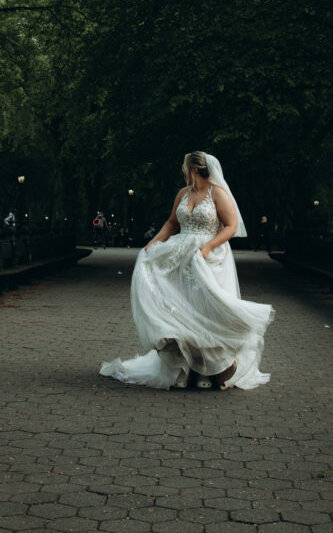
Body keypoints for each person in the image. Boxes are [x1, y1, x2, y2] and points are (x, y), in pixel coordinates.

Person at [100, 151, 275, 391]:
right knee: (181, 308)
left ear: (193, 170)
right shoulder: (183, 194)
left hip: (208, 257)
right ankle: (186, 366)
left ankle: (213, 367)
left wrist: (208, 247)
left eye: (184, 168)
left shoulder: (218, 194)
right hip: (180, 255)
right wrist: (155, 243)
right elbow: (172, 223)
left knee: (205, 309)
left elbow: (231, 226)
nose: (182, 172)